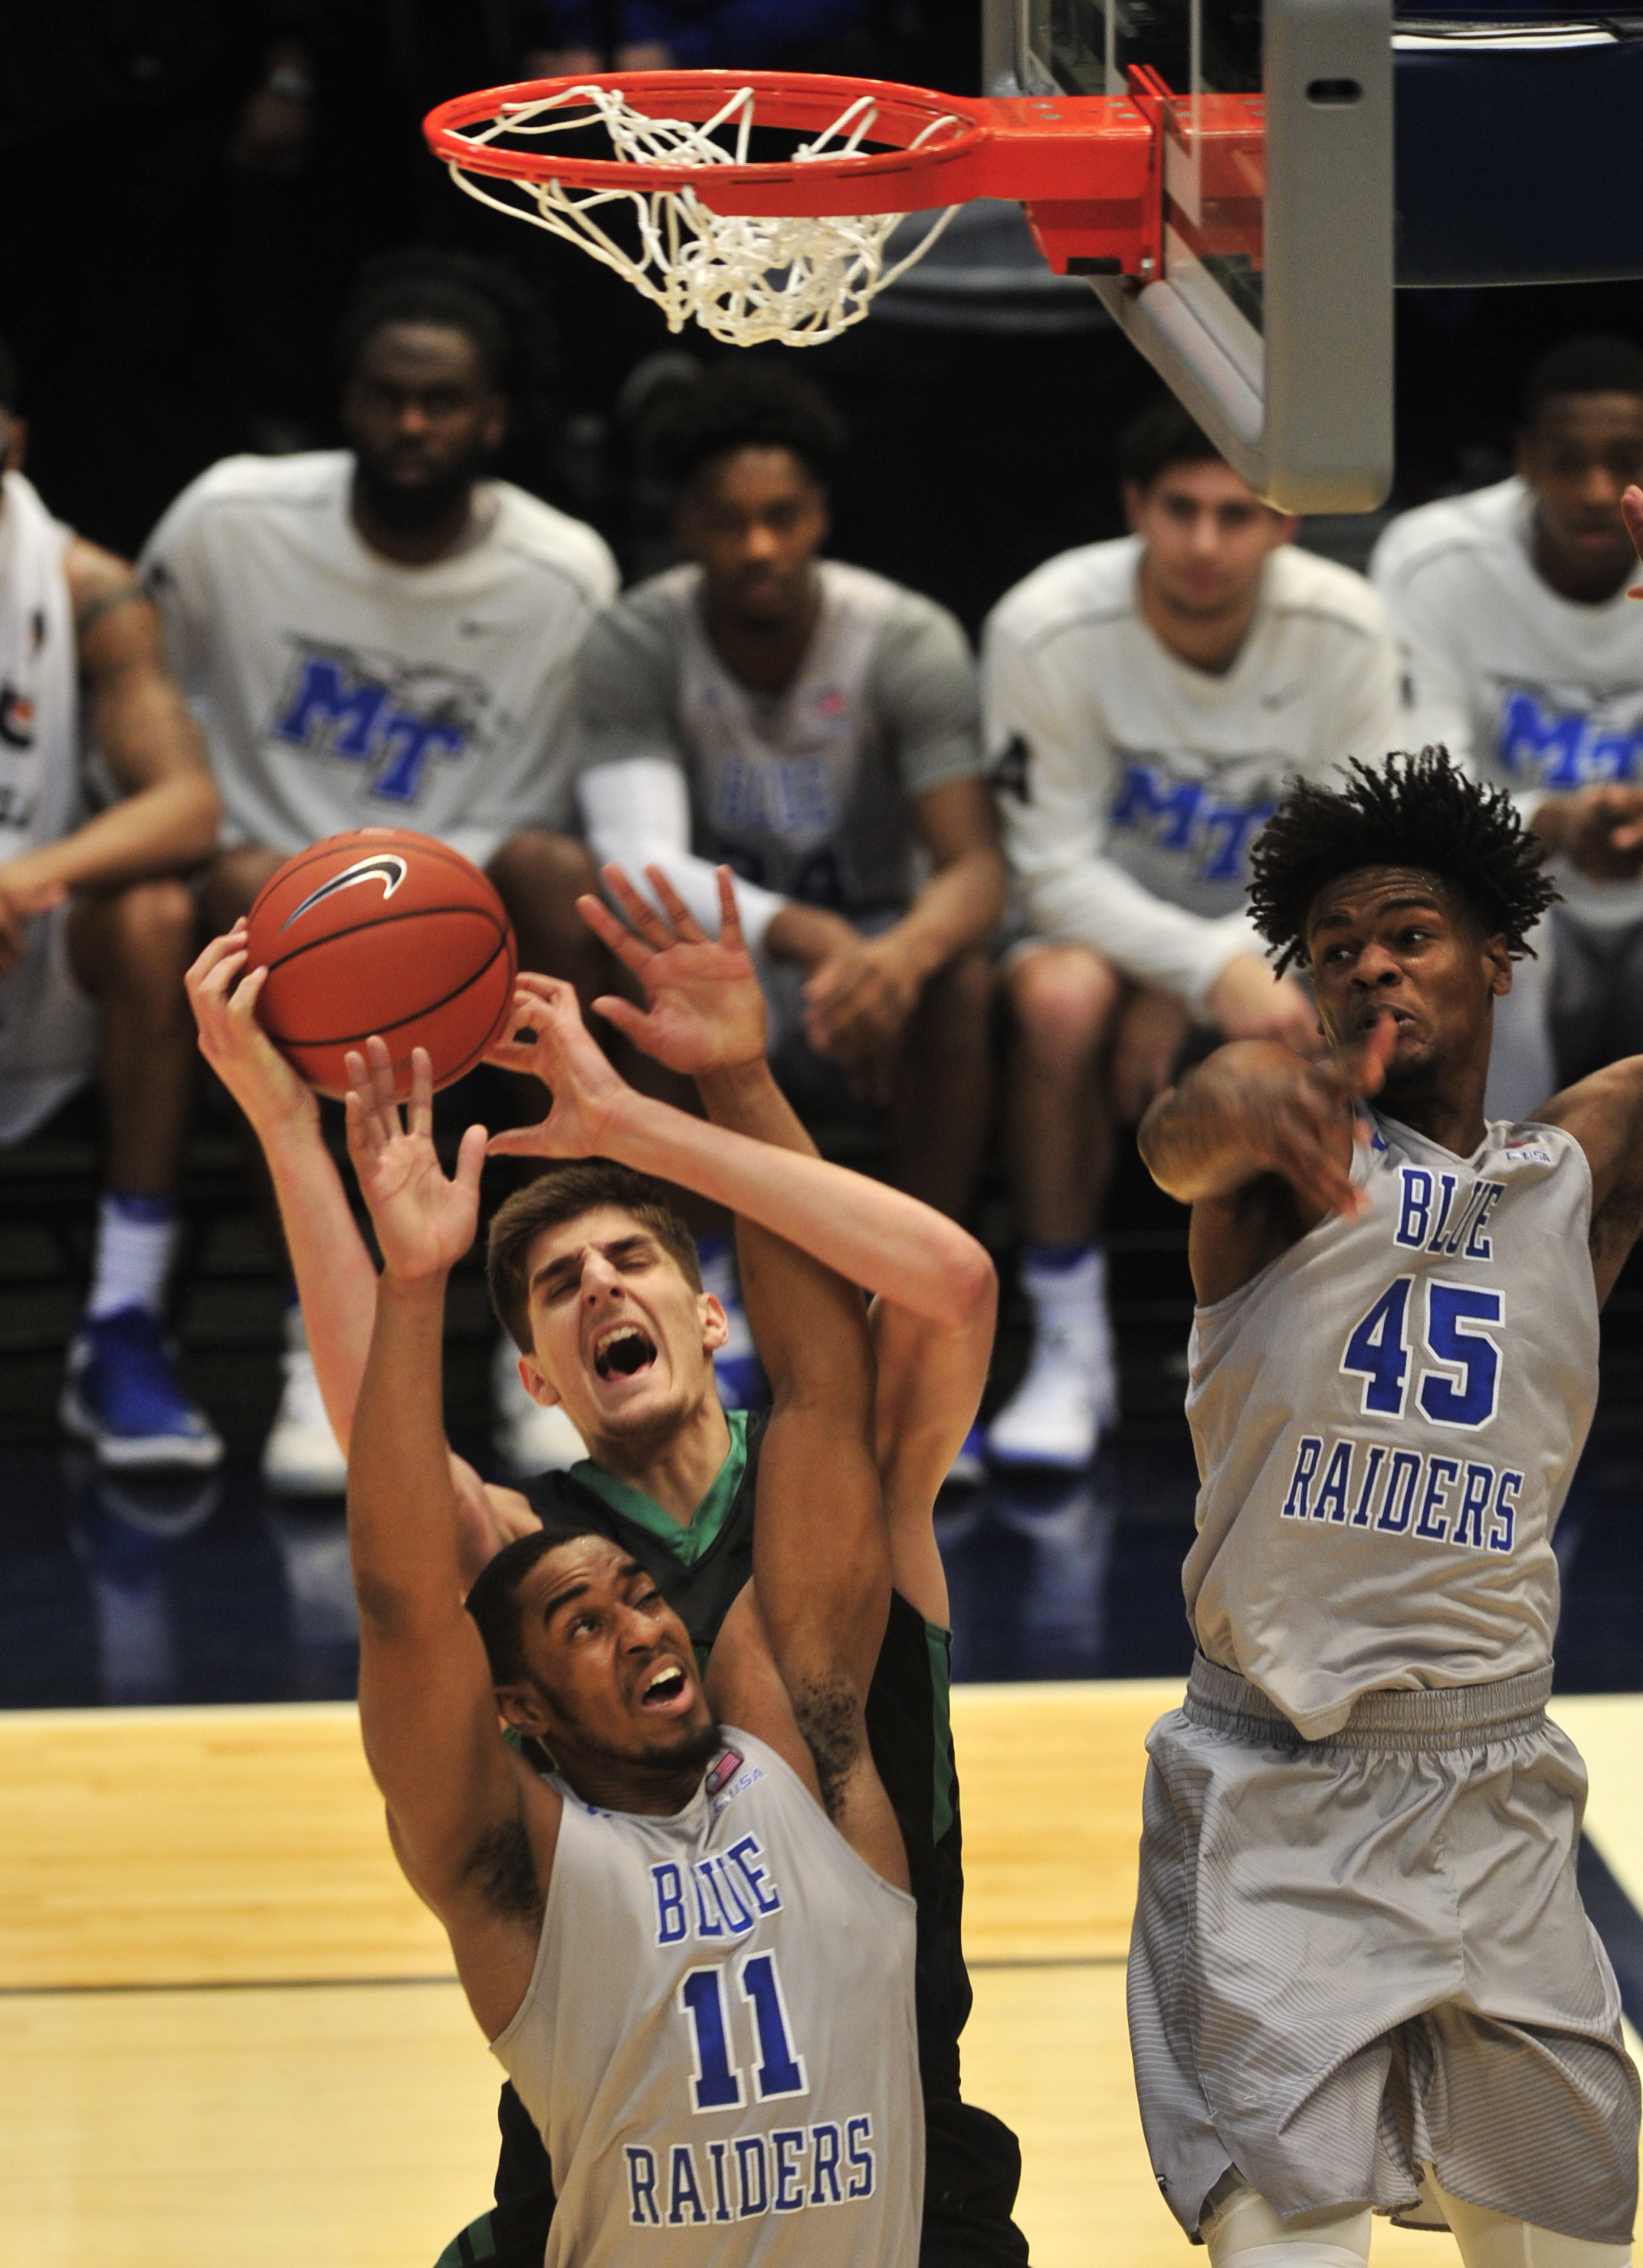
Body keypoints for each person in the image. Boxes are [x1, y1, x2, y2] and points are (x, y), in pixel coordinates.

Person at [185, 867, 1029, 2268]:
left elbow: (948, 1289)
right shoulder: (533, 1559)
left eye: (629, 1257)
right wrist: (291, 1132)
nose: (598, 1289)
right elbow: (387, 1492)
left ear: (708, 1312)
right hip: (613, 2141)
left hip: (880, 2122)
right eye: (559, 1287)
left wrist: (701, 1100)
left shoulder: (834, 1506)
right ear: (534, 1377)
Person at [339, 965, 943, 2263]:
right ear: (519, 1709)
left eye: (639, 1595)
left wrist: (726, 1082)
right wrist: (398, 1272)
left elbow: (831, 1385)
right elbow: (400, 1599)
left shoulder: (807, 1745)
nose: (645, 1621)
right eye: (583, 1621)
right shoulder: (531, 1867)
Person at [1132, 746, 1639, 2266]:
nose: (1366, 967)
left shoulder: (1573, 1174)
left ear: (1497, 955)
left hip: (1495, 1793)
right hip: (1276, 1789)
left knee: (1562, 2250)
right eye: (1332, 949)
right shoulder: (1282, 1164)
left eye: (1405, 934)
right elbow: (1183, 1134)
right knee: (1283, 2251)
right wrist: (1247, 1098)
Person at [140, 251, 619, 1493]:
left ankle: (552, 1333)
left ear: (494, 418)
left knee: (562, 874)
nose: (412, 425)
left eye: (442, 400)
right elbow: (149, 706)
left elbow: (571, 802)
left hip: (468, 935)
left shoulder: (564, 574)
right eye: (387, 397)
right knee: (243, 934)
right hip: (275, 911)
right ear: (346, 403)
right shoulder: (226, 519)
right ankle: (320, 1341)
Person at [981, 396, 1402, 1470]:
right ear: (1136, 507)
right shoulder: (1044, 624)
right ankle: (1068, 1339)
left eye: (1237, 513)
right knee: (1059, 999)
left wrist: (1221, 970)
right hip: (1102, 942)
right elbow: (1050, 868)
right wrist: (1201, 964)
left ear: (1284, 524)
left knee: (1355, 1005)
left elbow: (1356, 860)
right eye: (1182, 510)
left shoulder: (1348, 626)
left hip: (1274, 952)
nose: (1207, 542)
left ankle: (1307, 1337)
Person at [573, 362, 1004, 1251]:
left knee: (960, 979)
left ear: (820, 514)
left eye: (781, 516)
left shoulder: (902, 637)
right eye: (727, 520)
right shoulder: (637, 640)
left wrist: (895, 960)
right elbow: (637, 868)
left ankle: (916, 1279)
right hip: (741, 947)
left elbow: (974, 868)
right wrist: (813, 935)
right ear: (684, 522)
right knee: (647, 958)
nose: (758, 546)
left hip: (876, 943)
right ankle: (696, 1273)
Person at [0, 336, 222, 1469]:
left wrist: (25, 877)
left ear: (14, 442)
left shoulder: (81, 584)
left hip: (29, 957)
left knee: (153, 919)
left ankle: (122, 1322)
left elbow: (188, 804)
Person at [1372, 333, 1643, 1122]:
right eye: (1567, 462)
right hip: (1524, 883)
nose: (1597, 491)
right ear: (1523, 458)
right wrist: (1549, 822)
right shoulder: (1434, 559)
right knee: (1478, 936)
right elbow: (1423, 791)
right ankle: (1491, 1213)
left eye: (1626, 458)